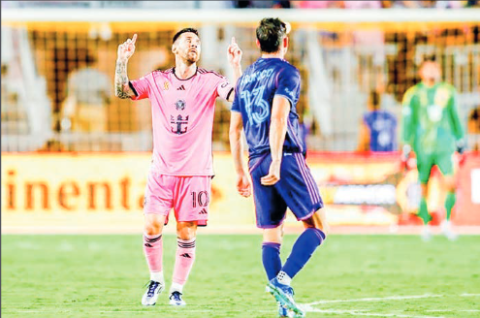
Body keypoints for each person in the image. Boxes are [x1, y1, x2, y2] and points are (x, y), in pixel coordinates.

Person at [114, 29, 242, 306]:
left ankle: (177, 290)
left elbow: (237, 97)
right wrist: (122, 60)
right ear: (174, 48)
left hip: (196, 173)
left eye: (197, 42)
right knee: (151, 225)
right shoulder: (157, 80)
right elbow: (123, 92)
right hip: (161, 171)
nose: (194, 45)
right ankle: (155, 279)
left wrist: (235, 67)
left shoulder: (210, 80)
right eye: (188, 41)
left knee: (186, 232)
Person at [229, 18, 328, 317]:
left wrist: (239, 171)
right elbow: (278, 118)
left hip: (254, 161)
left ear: (257, 44)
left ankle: (282, 306)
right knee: (318, 225)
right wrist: (276, 158)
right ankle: (283, 282)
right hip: (282, 157)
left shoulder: (244, 78)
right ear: (285, 43)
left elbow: (235, 129)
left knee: (272, 235)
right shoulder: (287, 72)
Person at [401, 59, 465, 241]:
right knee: (423, 186)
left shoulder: (448, 91)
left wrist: (460, 139)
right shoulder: (413, 94)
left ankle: (446, 223)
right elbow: (408, 122)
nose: (432, 71)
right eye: (428, 68)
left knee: (450, 183)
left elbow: (455, 117)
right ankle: (426, 225)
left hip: (445, 146)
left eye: (435, 67)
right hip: (422, 147)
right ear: (421, 71)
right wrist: (406, 144)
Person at [62, 54, 112, 132]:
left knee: (79, 139)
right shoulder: (102, 77)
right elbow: (109, 97)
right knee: (97, 139)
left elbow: (67, 94)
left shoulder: (75, 76)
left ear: (83, 63)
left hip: (80, 110)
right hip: (97, 110)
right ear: (95, 63)